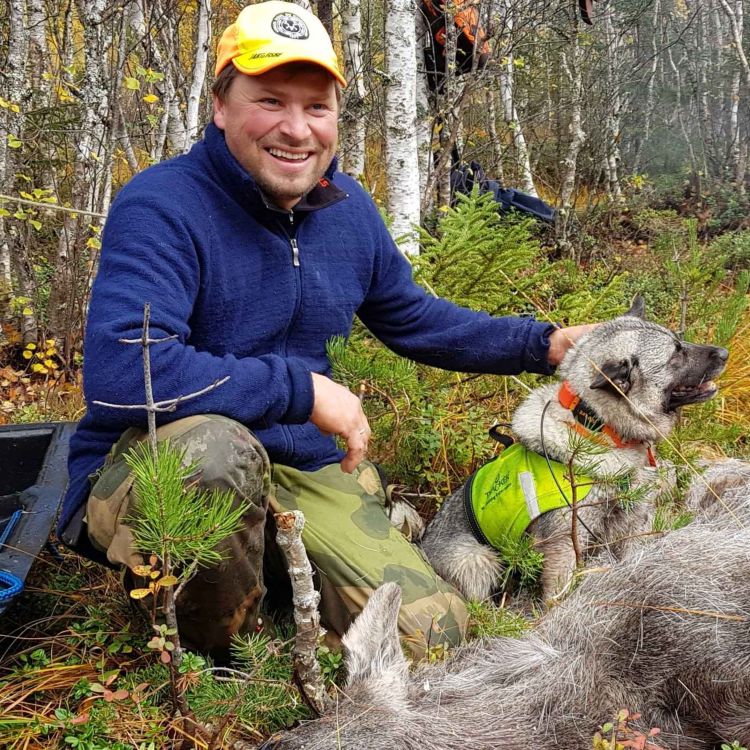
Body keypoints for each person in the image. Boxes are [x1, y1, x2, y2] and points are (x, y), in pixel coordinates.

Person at [58, 1, 593, 658]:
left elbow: (415, 320)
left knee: (432, 635)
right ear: (221, 105)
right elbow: (123, 372)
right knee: (216, 457)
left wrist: (542, 344)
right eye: (270, 101)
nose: (295, 128)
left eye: (316, 107)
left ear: (337, 116)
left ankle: (280, 572)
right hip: (157, 469)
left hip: (301, 470)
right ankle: (215, 660)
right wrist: (302, 391)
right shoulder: (161, 206)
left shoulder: (348, 210)